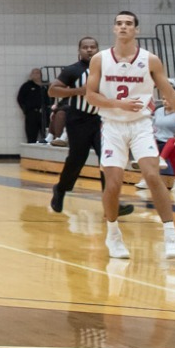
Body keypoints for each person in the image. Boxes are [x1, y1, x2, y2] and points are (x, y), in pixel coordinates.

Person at [84, 9, 175, 261]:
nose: (123, 27)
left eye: (128, 23)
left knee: (152, 175)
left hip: (141, 124)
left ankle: (171, 235)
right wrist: (120, 105)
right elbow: (90, 96)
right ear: (114, 28)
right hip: (112, 125)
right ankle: (113, 233)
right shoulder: (100, 59)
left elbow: (171, 95)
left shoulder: (150, 60)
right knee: (114, 182)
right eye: (119, 23)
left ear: (136, 29)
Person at [46, 35, 130, 218]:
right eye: (86, 47)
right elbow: (52, 90)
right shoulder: (72, 70)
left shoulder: (108, 70)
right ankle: (60, 189)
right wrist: (78, 91)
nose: (89, 50)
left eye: (93, 47)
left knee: (107, 160)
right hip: (78, 119)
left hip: (102, 120)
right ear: (79, 50)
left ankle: (111, 203)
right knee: (77, 159)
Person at [16, 66, 50, 144]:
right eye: (34, 73)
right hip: (32, 114)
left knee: (47, 136)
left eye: (38, 73)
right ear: (31, 75)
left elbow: (52, 97)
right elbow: (20, 99)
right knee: (31, 135)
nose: (36, 75)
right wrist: (26, 110)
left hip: (45, 114)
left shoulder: (46, 85)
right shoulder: (27, 86)